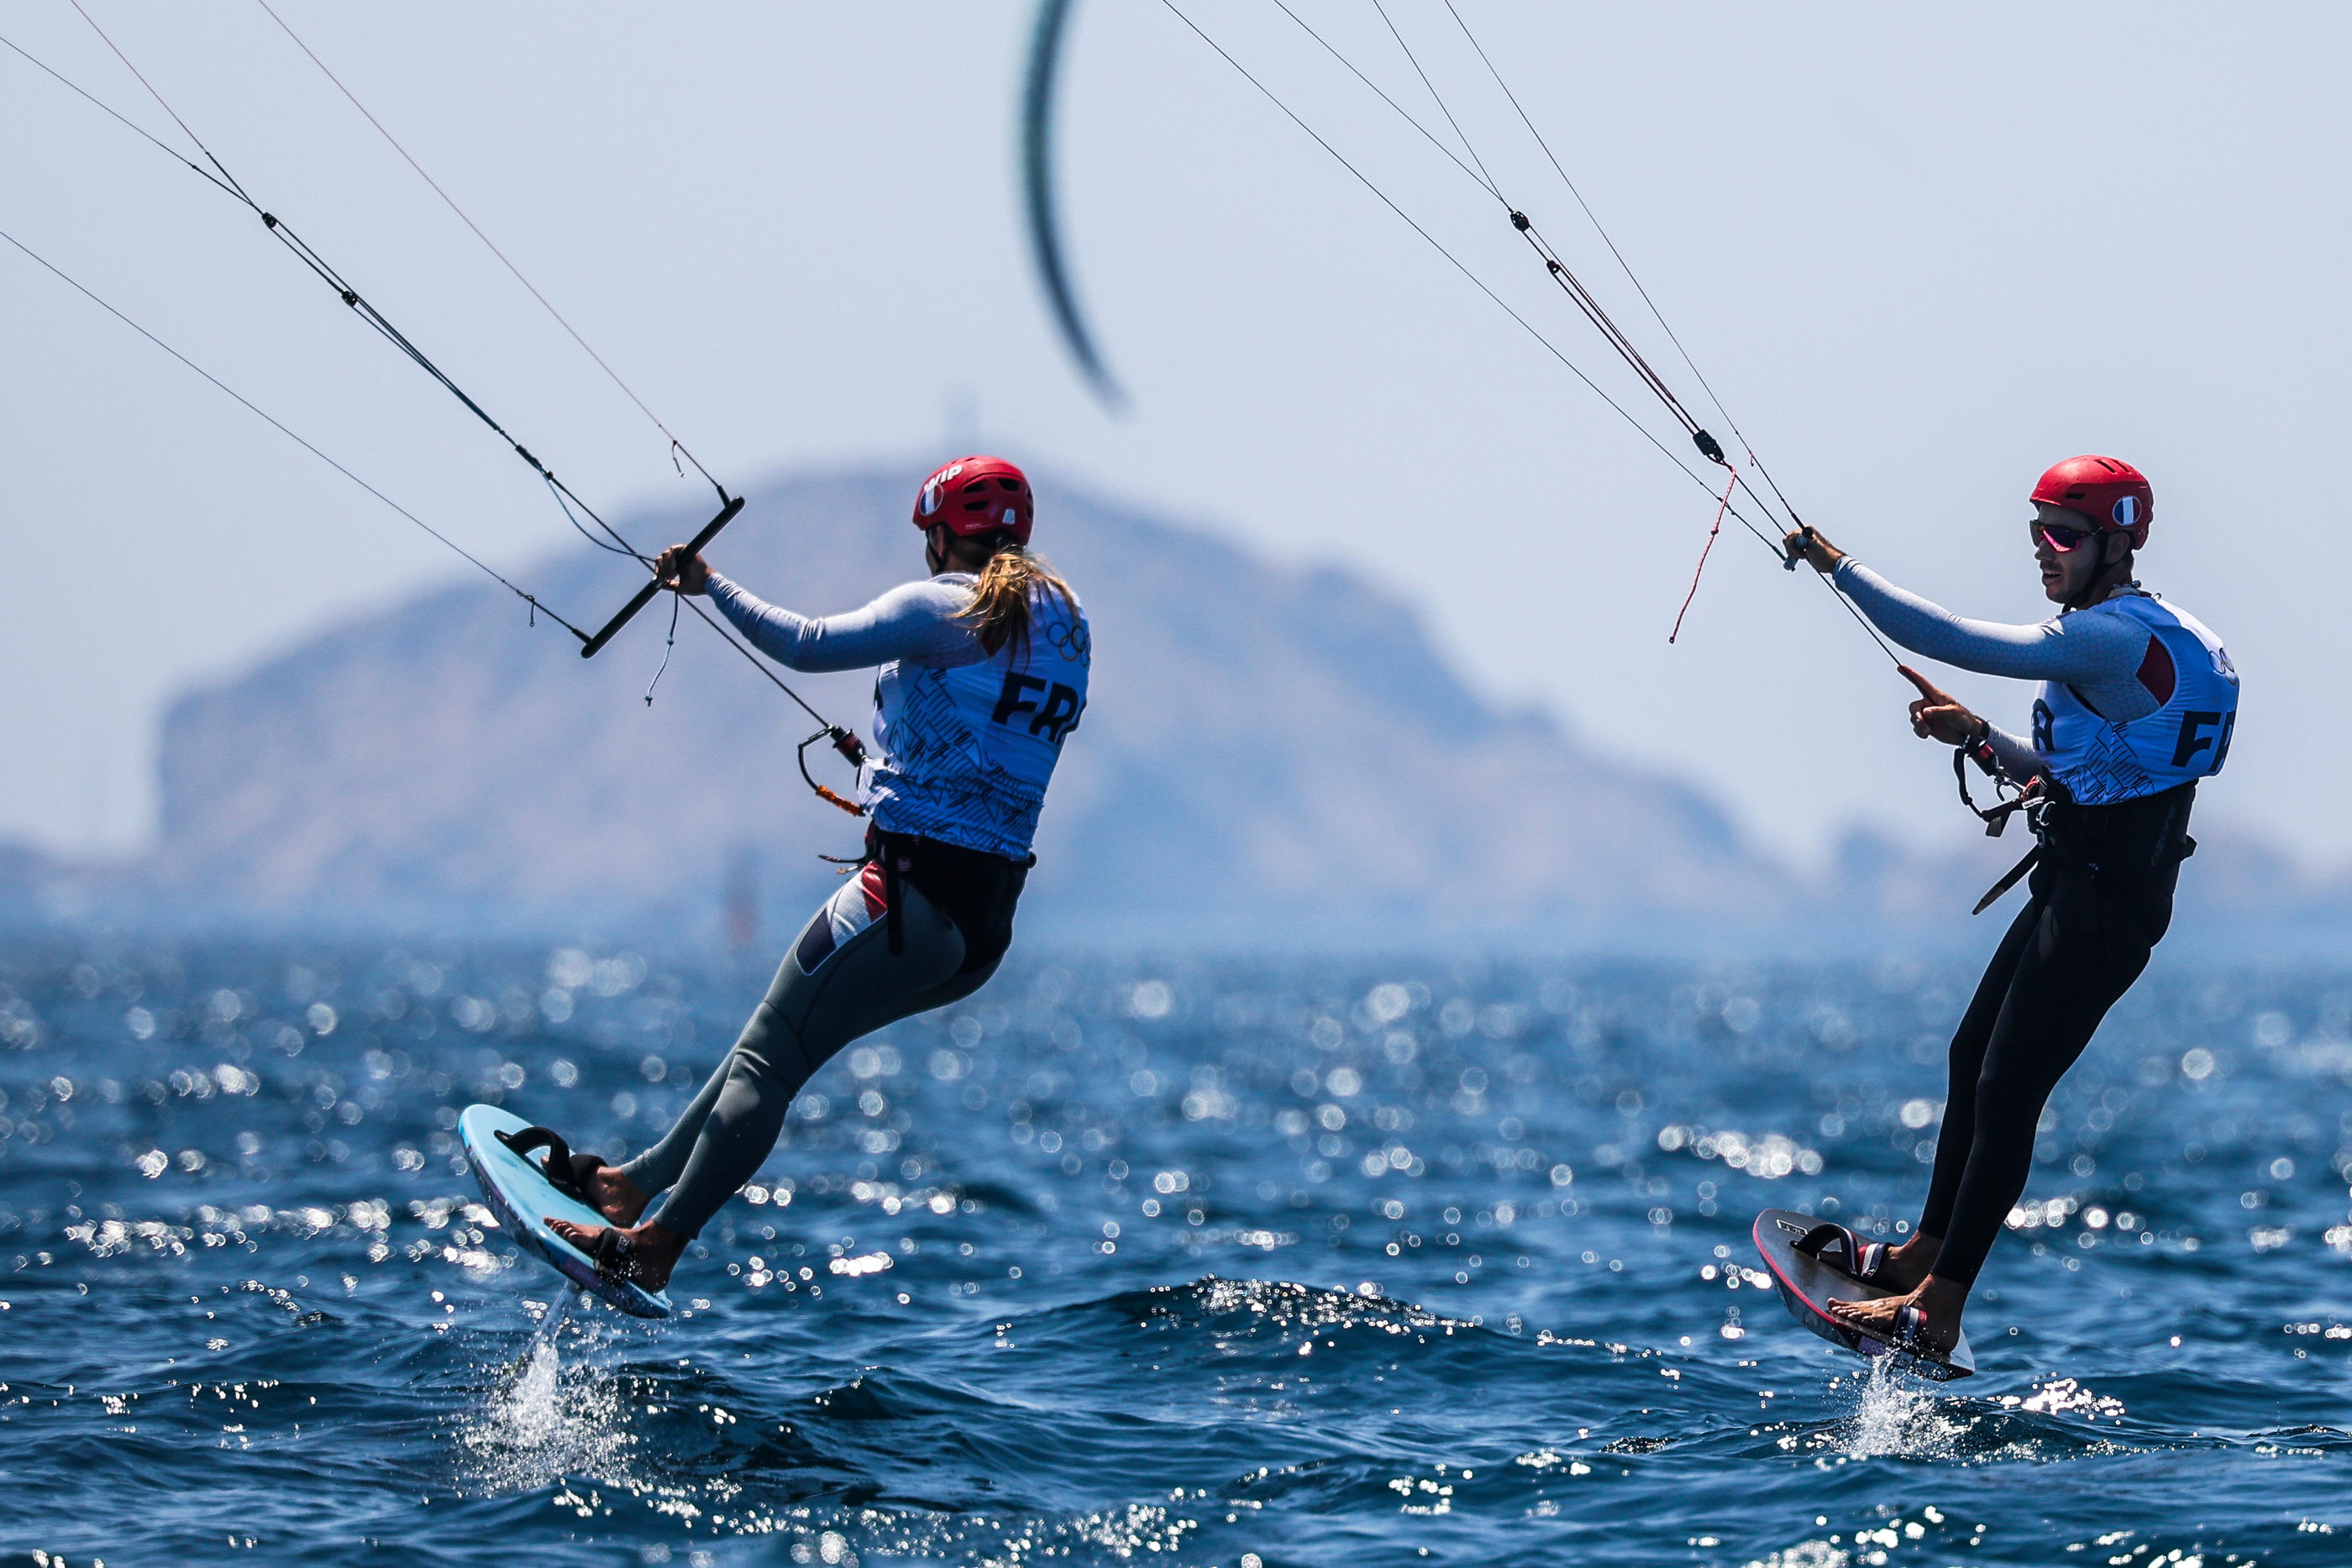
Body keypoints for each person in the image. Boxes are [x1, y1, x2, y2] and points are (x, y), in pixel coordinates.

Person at [536, 455, 1091, 1291]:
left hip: (904, 899)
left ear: (942, 535)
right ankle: (629, 1185)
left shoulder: (944, 606)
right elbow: (988, 735)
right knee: (771, 1042)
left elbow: (806, 645)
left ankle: (655, 1245)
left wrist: (706, 581)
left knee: (766, 1065)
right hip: (980, 931)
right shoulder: (1065, 623)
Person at [1780, 454, 2236, 1357]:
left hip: (2106, 905)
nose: (2044, 549)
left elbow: (1956, 638)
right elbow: (2080, 779)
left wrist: (1837, 565)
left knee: (2008, 1086)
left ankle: (1937, 1309)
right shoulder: (2134, 635)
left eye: (2064, 535)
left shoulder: (2110, 638)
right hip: (2083, 884)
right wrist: (1977, 737)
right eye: (2035, 531)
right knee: (1971, 1057)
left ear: (2117, 542)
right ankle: (1923, 1251)